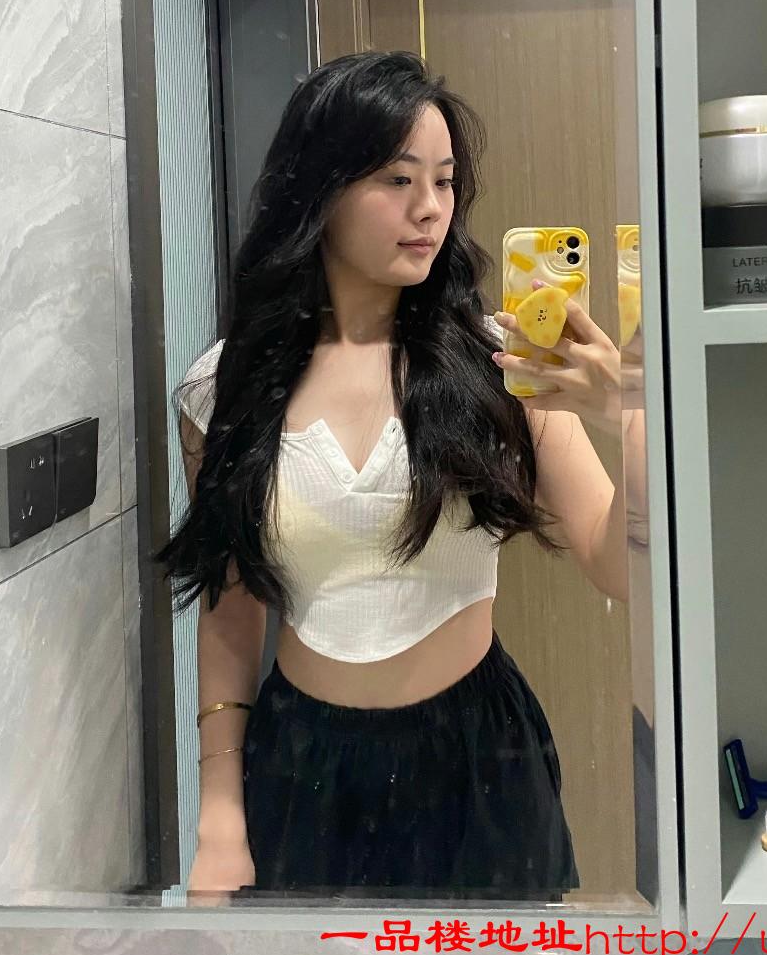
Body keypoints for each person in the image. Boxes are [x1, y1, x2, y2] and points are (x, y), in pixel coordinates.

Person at [154, 50, 635, 903]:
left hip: (477, 759)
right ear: (320, 189)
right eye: (397, 179)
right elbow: (231, 610)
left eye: (444, 182)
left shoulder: (502, 364)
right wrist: (218, 814)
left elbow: (616, 566)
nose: (429, 208)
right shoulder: (222, 390)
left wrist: (629, 417)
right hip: (301, 762)